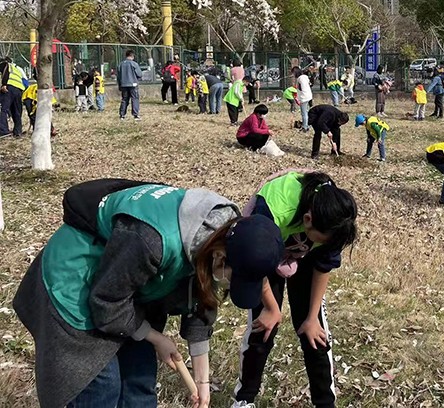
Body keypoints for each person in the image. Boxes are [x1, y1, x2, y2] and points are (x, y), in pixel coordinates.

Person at [13, 178, 285, 408]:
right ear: (220, 256)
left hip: (132, 287)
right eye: (232, 280)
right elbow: (106, 302)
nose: (227, 287)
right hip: (78, 281)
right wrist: (155, 337)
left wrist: (202, 383)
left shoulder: (225, 232)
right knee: (100, 387)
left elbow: (201, 304)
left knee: (139, 384)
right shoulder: (152, 240)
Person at [233, 171, 358, 408]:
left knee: (315, 335)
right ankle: (244, 399)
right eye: (320, 240)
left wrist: (311, 318)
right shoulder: (274, 209)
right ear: (307, 220)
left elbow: (323, 266)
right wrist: (271, 308)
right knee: (263, 329)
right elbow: (253, 261)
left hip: (298, 255)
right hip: (262, 253)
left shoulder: (335, 218)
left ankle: (325, 404)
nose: (320, 245)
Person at [0, 56, 26, 138]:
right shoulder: (17, 68)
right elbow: (25, 80)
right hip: (19, 89)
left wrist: (4, 84)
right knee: (17, 112)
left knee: (3, 110)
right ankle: (18, 132)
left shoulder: (4, 64)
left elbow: (5, 71)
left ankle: (4, 131)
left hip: (8, 87)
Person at [118, 50, 142, 121]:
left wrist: (120, 85)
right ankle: (135, 114)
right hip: (133, 84)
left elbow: (118, 76)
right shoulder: (134, 64)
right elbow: (139, 74)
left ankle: (122, 115)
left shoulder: (121, 64)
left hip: (123, 84)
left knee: (124, 99)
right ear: (132, 56)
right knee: (134, 99)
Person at [296, 68, 313, 133]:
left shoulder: (300, 78)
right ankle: (307, 125)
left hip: (304, 98)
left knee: (304, 113)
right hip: (308, 96)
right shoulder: (305, 77)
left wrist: (300, 98)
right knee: (306, 112)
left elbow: (302, 88)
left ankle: (305, 127)